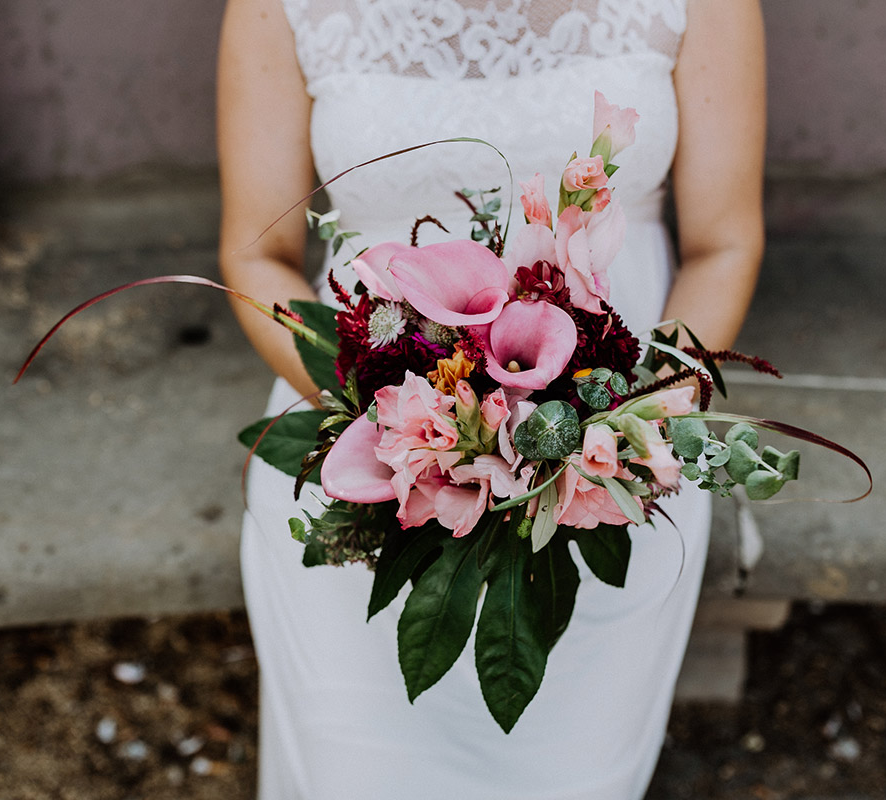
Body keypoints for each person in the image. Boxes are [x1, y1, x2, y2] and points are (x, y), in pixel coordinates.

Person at [216, 0, 765, 797]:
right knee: (362, 773)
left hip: (609, 448)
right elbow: (253, 253)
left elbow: (724, 244)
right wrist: (399, 424)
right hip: (371, 430)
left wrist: (637, 427)